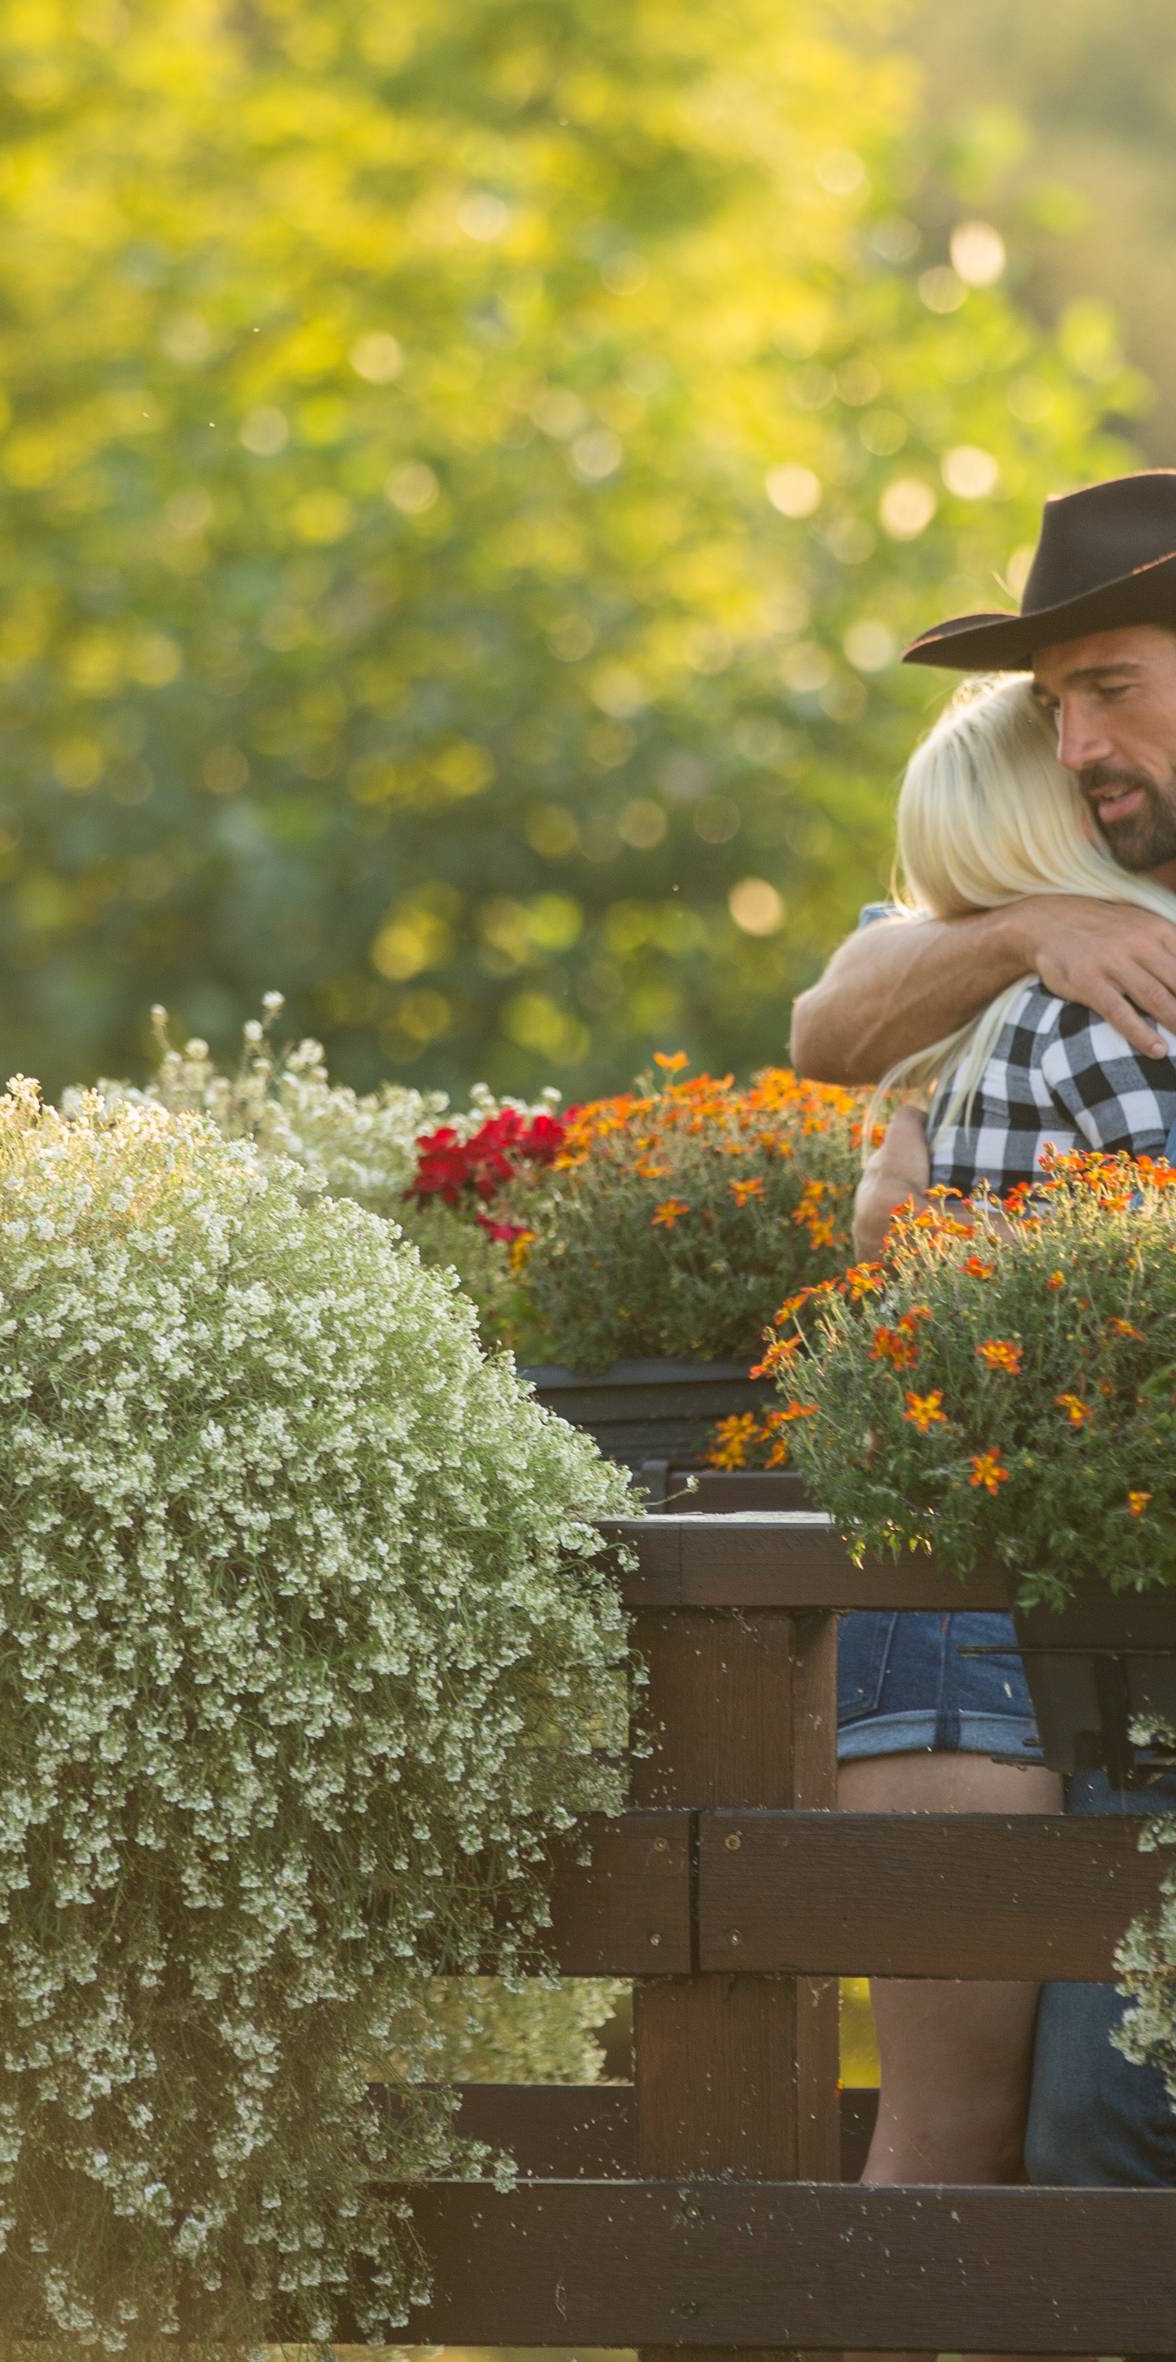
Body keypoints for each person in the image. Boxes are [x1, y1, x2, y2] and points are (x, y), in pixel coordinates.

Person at [792, 471, 1176, 2348]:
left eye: (1109, 688)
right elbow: (833, 1007)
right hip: (1013, 1627)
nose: (1080, 739)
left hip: (1079, 1637)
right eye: (1059, 716)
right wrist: (1030, 926)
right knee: (1005, 2142)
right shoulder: (1084, 976)